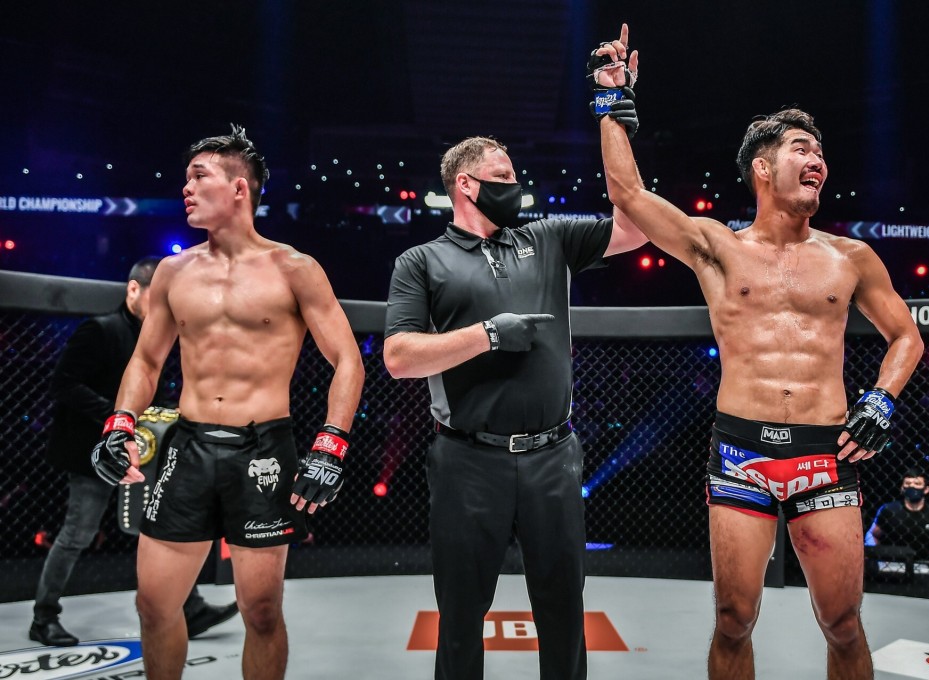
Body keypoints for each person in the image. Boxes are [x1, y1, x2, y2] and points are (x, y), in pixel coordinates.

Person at [593, 25, 924, 680]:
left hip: (826, 454)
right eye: (803, 147)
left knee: (843, 623)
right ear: (763, 168)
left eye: (822, 151)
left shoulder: (851, 257)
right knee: (732, 620)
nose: (819, 159)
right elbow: (629, 195)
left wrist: (881, 400)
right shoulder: (719, 247)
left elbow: (907, 335)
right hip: (742, 451)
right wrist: (612, 104)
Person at [90, 125, 365, 680]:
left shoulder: (294, 268)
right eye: (186, 178)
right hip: (188, 446)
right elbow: (146, 362)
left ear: (240, 188)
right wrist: (119, 425)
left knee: (261, 612)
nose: (185, 189)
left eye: (199, 176)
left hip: (263, 448)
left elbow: (348, 360)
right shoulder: (173, 272)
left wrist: (330, 445)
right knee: (153, 605)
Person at [383, 129, 647, 679]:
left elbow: (636, 227)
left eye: (514, 177)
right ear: (465, 184)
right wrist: (487, 335)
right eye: (502, 177)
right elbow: (399, 357)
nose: (515, 186)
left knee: (562, 610)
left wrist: (617, 121)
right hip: (467, 458)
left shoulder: (546, 238)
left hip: (553, 453)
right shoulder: (422, 261)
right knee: (460, 613)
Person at [30, 257, 237, 647]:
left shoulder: (155, 338)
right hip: (93, 452)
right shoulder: (100, 330)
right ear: (133, 290)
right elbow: (63, 384)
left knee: (156, 528)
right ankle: (44, 617)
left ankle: (188, 607)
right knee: (78, 532)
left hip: (140, 453)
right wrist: (117, 418)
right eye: (158, 297)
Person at [866, 468, 929, 566]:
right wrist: (873, 553)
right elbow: (873, 534)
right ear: (902, 488)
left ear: (926, 489)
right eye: (908, 483)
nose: (912, 487)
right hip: (894, 561)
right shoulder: (888, 509)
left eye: (917, 484)